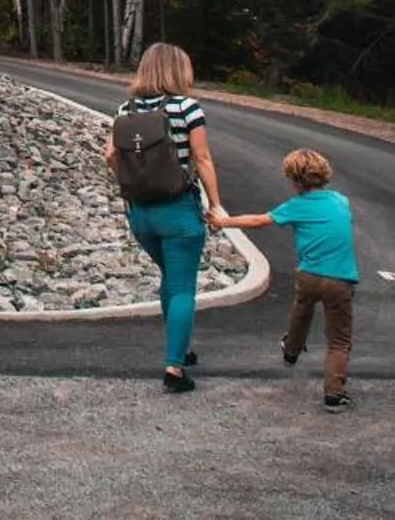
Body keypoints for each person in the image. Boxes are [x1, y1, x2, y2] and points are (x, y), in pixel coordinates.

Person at [106, 42, 226, 393]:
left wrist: (138, 181)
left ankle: (182, 347)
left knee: (170, 279)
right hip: (178, 212)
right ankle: (174, 367)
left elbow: (112, 157)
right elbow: (202, 160)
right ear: (178, 70)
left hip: (141, 214)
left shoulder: (125, 109)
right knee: (183, 285)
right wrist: (216, 204)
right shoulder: (188, 108)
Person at [212, 148, 359, 412]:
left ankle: (291, 348)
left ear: (294, 181)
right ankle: (334, 393)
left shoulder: (295, 206)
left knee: (302, 309)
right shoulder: (341, 201)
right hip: (340, 279)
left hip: (309, 275)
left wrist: (224, 222)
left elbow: (259, 220)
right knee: (338, 339)